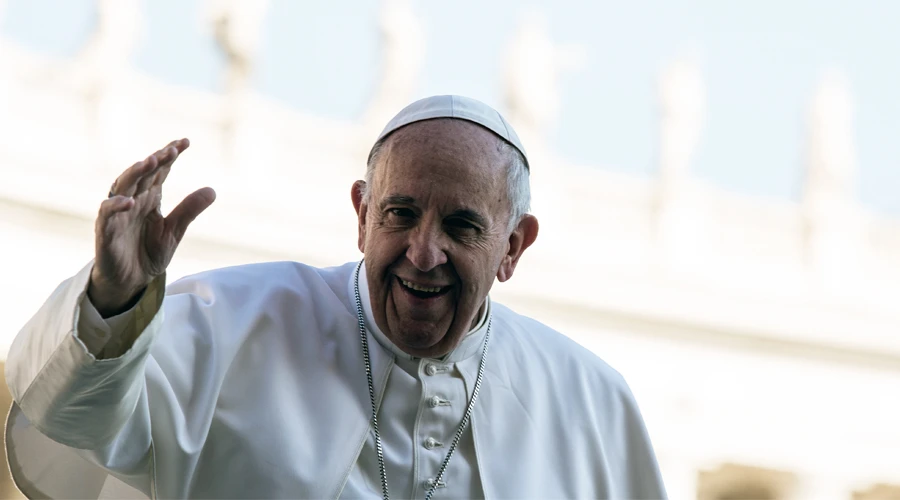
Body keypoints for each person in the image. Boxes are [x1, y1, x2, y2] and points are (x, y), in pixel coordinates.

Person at [5, 95, 668, 499]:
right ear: (361, 213)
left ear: (514, 246)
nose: (423, 252)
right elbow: (68, 419)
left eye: (461, 226)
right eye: (400, 214)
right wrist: (115, 299)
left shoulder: (591, 404)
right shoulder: (229, 325)